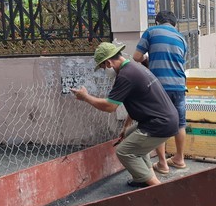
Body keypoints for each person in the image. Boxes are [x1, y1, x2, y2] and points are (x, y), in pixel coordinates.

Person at [71, 42, 179, 188]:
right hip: (164, 120)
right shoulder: (135, 68)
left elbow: (110, 106)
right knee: (129, 137)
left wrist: (86, 97)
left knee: (124, 151)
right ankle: (143, 179)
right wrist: (126, 126)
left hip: (159, 124)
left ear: (108, 62)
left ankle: (158, 188)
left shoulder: (126, 76)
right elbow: (136, 102)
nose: (105, 70)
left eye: (103, 67)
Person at [133, 10, 188, 174]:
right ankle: (179, 159)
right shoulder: (181, 38)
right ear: (174, 24)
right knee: (180, 124)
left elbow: (136, 57)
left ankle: (163, 164)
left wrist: (147, 60)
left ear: (157, 22)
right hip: (179, 85)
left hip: (160, 87)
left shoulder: (151, 32)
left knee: (159, 124)